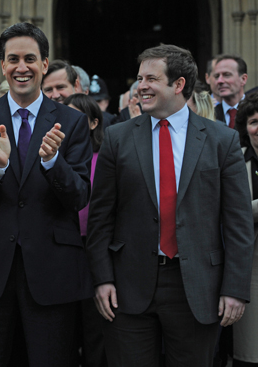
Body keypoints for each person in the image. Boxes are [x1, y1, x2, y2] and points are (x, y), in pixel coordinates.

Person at [86, 44, 254, 366]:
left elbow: (238, 222)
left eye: (151, 78)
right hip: (128, 286)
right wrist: (102, 278)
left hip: (198, 287)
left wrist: (235, 287)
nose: (141, 86)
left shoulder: (222, 140)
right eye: (139, 78)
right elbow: (100, 218)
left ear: (178, 85)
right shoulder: (117, 138)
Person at [0, 22, 93, 366]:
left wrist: (52, 161)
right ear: (2, 65)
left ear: (45, 64)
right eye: (12, 59)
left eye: (30, 58)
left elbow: (79, 197)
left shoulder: (71, 122)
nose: (21, 67)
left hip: (52, 273)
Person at [63, 93, 107, 367]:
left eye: (76, 117)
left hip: (94, 249)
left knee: (95, 326)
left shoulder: (105, 157)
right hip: (63, 250)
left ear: (93, 123)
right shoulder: (53, 156)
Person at [233, 92, 258, 367]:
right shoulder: (235, 159)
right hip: (248, 268)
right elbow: (228, 211)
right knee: (249, 352)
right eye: (253, 121)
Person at [213, 55, 248, 127]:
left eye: (227, 75)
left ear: (243, 79)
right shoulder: (209, 115)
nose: (219, 81)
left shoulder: (254, 110)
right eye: (216, 76)